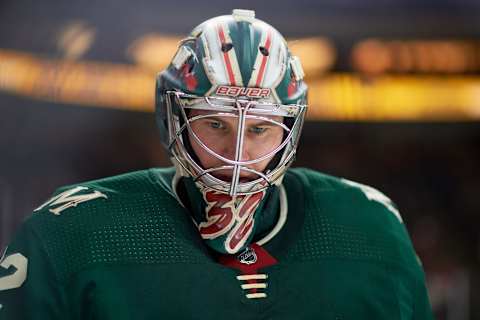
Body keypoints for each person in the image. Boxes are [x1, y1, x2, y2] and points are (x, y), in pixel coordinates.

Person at [0, 9, 434, 319]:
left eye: (261, 129)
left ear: (290, 131)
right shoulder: (69, 230)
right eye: (214, 123)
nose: (238, 151)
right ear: (174, 119)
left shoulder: (372, 227)